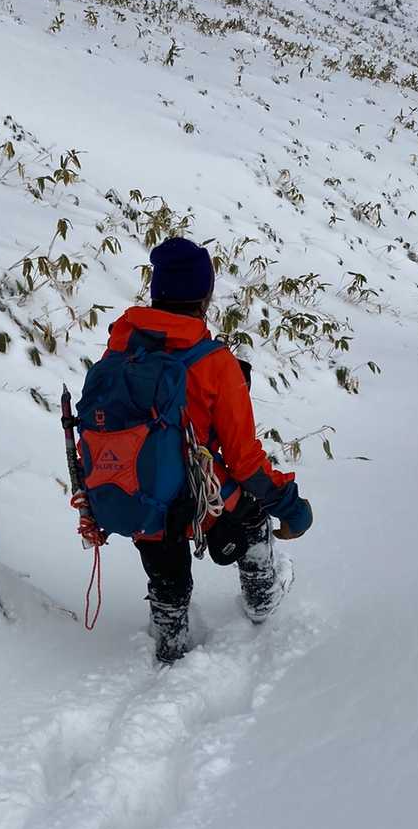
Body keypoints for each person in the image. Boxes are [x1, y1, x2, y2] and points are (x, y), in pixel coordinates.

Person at [101, 236, 313, 664]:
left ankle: (170, 637)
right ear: (204, 296)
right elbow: (246, 462)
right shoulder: (215, 362)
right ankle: (262, 601)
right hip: (199, 498)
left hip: (136, 495)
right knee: (251, 513)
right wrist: (291, 508)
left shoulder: (121, 349)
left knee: (167, 577)